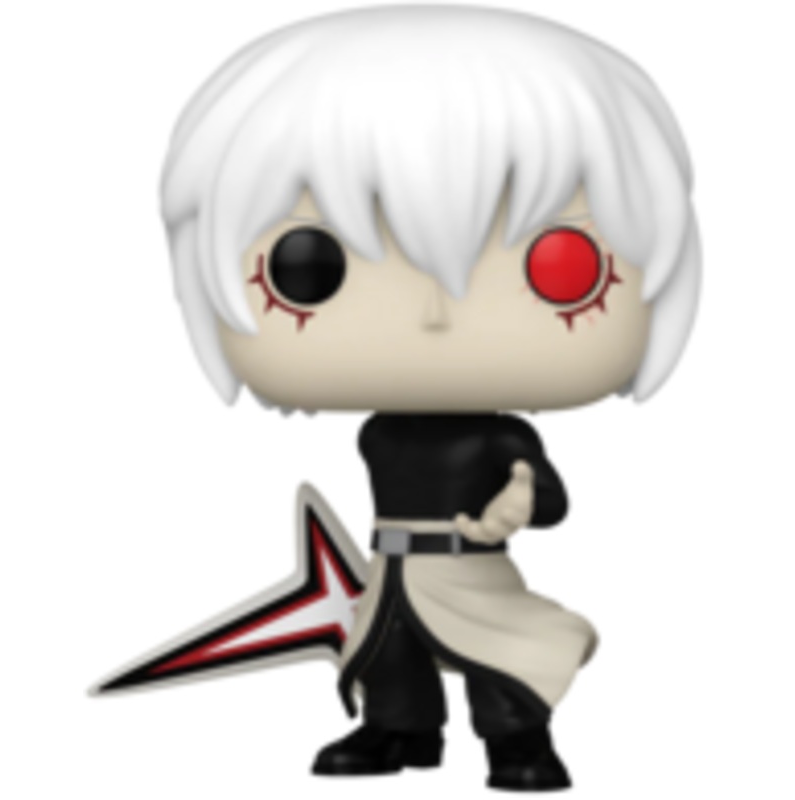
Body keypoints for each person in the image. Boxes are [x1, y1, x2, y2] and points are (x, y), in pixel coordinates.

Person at [160, 6, 701, 791]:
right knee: (388, 657)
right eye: (308, 267)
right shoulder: (379, 434)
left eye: (561, 265)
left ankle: (518, 745)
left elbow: (550, 503)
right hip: (392, 570)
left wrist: (519, 499)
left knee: (500, 660)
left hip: (471, 572)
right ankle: (398, 731)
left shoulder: (501, 440)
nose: (435, 313)